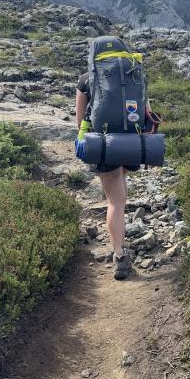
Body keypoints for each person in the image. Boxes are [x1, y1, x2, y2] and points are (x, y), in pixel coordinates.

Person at [75, 71, 138, 280]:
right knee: (121, 187)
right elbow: (145, 109)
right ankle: (122, 241)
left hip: (103, 143)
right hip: (131, 141)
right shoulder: (132, 74)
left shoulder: (86, 79)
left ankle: (120, 257)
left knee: (115, 202)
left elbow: (80, 120)